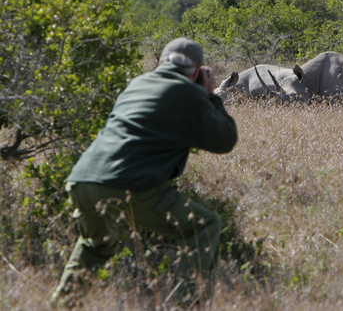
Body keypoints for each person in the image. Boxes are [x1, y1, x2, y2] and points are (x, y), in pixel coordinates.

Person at [49, 38, 238, 308]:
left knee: (95, 246)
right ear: (196, 72)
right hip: (131, 184)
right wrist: (210, 96)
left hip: (83, 179)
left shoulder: (136, 84)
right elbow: (225, 140)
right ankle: (186, 304)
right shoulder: (189, 92)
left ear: (161, 61)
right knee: (205, 226)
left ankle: (61, 305)